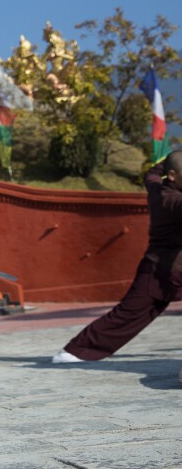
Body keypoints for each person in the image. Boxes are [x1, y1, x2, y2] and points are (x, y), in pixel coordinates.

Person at [53, 151, 182, 365]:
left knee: (133, 314)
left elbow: (151, 173)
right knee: (128, 314)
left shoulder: (156, 187)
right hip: (160, 271)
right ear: (173, 175)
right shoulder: (171, 200)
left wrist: (169, 157)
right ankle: (75, 351)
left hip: (170, 268)